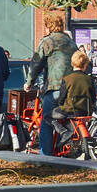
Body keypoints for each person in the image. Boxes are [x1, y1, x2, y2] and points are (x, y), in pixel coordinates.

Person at [25, 10, 78, 156]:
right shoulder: (71, 42)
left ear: (49, 26)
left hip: (55, 87)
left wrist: (29, 82)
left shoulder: (47, 41)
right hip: (72, 87)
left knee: (46, 122)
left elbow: (36, 63)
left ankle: (45, 156)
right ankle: (64, 149)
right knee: (64, 117)